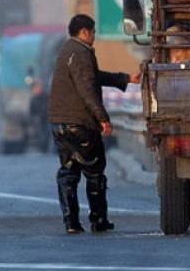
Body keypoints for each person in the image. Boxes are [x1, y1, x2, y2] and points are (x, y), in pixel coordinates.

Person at [47, 14, 140, 234]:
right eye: (94, 32)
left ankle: (71, 223)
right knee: (94, 172)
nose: (95, 36)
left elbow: (93, 77)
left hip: (59, 123)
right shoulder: (81, 53)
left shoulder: (67, 50)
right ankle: (98, 220)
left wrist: (125, 78)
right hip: (80, 123)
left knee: (68, 172)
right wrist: (103, 118)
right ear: (84, 32)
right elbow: (87, 89)